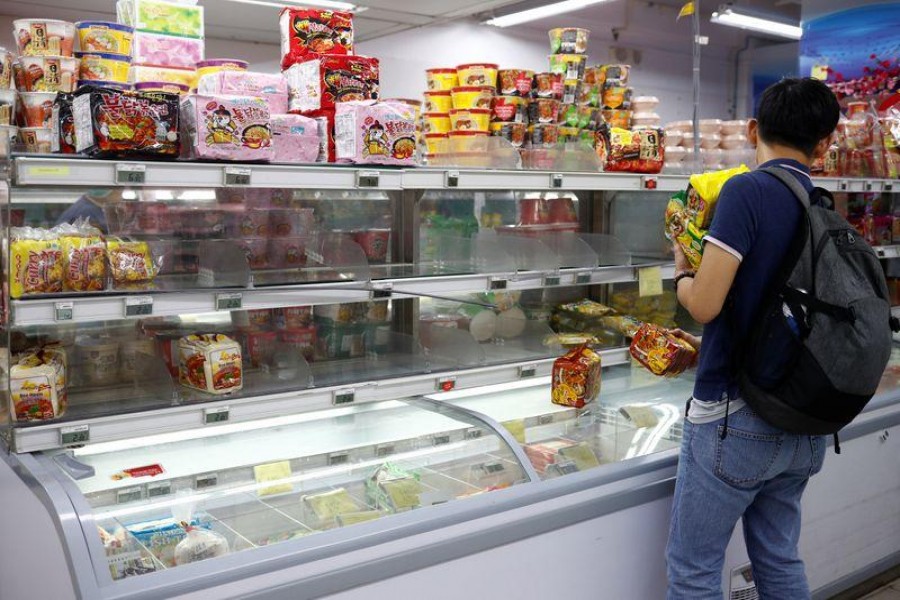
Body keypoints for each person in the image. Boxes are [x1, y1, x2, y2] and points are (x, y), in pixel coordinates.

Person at [665, 78, 842, 599]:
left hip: (735, 418)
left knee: (694, 568)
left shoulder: (745, 190)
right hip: (804, 418)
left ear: (750, 130)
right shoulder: (822, 201)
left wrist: (680, 266)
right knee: (779, 559)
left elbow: (705, 304)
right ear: (825, 145)